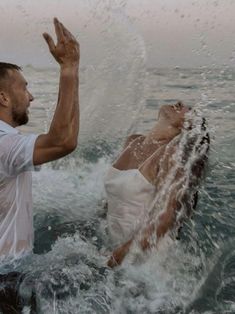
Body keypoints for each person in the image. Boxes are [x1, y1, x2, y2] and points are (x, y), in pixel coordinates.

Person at [0, 18, 79, 312]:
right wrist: (69, 68)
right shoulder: (4, 145)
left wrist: (74, 73)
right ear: (3, 97)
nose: (30, 96)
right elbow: (64, 141)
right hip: (4, 282)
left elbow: (67, 137)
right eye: (24, 88)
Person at [105, 102, 210, 267]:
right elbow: (115, 196)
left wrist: (120, 255)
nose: (180, 103)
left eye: (188, 109)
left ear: (187, 126)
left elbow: (167, 218)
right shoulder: (133, 141)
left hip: (147, 262)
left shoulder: (172, 156)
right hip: (114, 247)